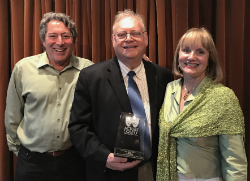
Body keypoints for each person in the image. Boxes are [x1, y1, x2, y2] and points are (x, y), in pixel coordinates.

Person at [68, 9, 173, 181]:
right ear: (113, 39)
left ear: (146, 38)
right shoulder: (91, 77)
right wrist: (104, 157)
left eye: (135, 33)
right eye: (122, 34)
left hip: (153, 171)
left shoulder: (162, 76)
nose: (128, 39)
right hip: (110, 173)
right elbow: (78, 127)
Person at [4, 12, 93, 181]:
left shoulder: (88, 70)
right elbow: (13, 116)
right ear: (43, 41)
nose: (60, 42)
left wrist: (137, 62)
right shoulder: (23, 69)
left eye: (66, 36)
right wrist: (20, 152)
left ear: (73, 40)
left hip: (73, 161)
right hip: (32, 163)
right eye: (53, 36)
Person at [156, 27, 247, 181]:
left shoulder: (223, 97)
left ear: (209, 59)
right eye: (185, 50)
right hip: (169, 176)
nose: (191, 57)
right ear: (178, 55)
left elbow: (234, 158)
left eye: (200, 52)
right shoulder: (170, 88)